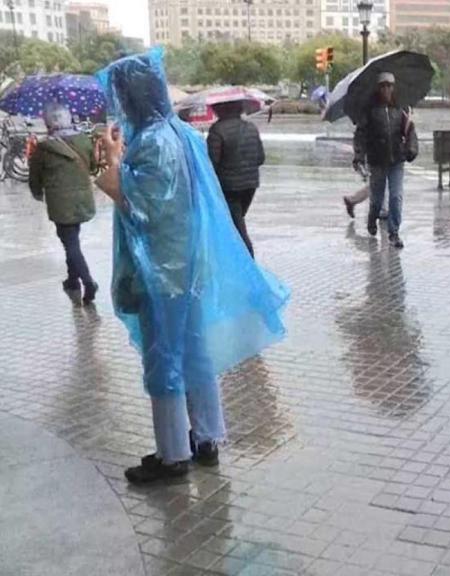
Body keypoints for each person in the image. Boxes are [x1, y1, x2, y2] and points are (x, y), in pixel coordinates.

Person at [94, 48, 288, 485]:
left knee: (164, 357)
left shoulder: (151, 142)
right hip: (190, 265)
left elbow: (146, 206)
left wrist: (113, 164)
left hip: (162, 269)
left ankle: (172, 455)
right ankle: (206, 439)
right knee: (195, 351)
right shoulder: (181, 134)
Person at [29, 102, 99, 304]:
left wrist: (37, 192)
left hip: (60, 203)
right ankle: (72, 280)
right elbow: (92, 167)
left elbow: (35, 177)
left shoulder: (43, 149)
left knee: (70, 243)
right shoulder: (83, 140)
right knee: (71, 239)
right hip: (82, 200)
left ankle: (88, 281)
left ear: (48, 123)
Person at [353, 72, 417, 248]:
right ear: (378, 88)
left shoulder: (400, 109)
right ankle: (372, 218)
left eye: (389, 86)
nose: (387, 89)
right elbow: (360, 135)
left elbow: (410, 131)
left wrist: (411, 148)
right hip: (377, 160)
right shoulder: (370, 110)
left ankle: (394, 232)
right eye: (383, 86)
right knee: (377, 199)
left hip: (396, 160)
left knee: (396, 197)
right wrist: (359, 156)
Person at [207, 100, 266, 257]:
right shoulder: (251, 128)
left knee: (237, 227)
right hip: (250, 185)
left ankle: (247, 260)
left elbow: (211, 164)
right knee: (237, 221)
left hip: (229, 187)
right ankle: (235, 257)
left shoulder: (217, 130)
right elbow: (261, 158)